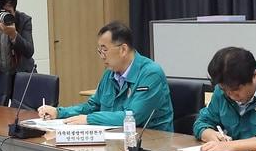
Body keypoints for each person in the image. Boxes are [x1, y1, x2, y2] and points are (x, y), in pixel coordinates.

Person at [37, 22, 173, 131]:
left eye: (104, 50)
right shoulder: (110, 74)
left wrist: (89, 119)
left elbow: (133, 117)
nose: (102, 56)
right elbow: (92, 106)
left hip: (153, 144)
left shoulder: (150, 73)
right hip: (116, 140)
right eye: (99, 51)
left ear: (123, 49)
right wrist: (59, 112)